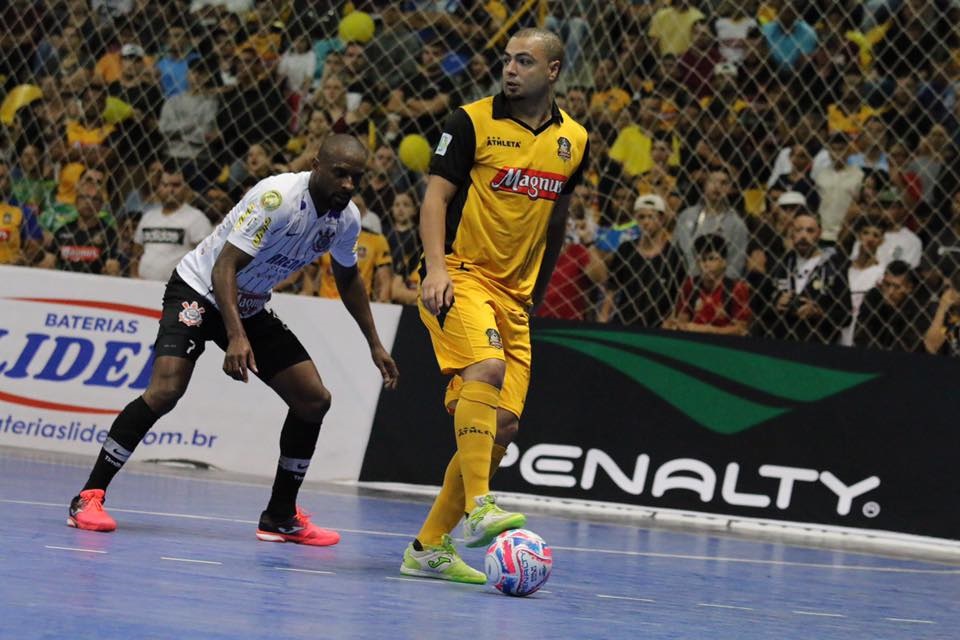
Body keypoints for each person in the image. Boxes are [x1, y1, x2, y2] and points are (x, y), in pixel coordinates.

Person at [66, 135, 399, 547]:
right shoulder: (276, 199)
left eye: (357, 177)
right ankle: (89, 496)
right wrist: (236, 336)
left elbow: (348, 278)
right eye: (340, 174)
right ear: (317, 165)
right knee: (166, 390)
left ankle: (280, 516)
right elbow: (225, 266)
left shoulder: (345, 219)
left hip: (251, 303)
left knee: (313, 399)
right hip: (199, 289)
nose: (349, 185)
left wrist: (374, 343)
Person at [405, 28, 588, 584]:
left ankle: (429, 548)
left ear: (553, 71)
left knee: (503, 425)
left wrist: (538, 290)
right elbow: (435, 197)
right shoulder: (470, 120)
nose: (510, 69)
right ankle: (482, 506)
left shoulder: (574, 140)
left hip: (514, 295)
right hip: (458, 275)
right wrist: (435, 268)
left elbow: (555, 218)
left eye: (524, 61)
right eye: (507, 60)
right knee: (486, 368)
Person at [131, 164, 212, 281]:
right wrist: (134, 277)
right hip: (144, 287)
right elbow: (136, 253)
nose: (170, 190)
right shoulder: (148, 217)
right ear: (158, 188)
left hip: (177, 291)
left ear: (185, 188)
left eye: (176, 185)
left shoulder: (197, 218)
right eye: (165, 185)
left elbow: (207, 258)